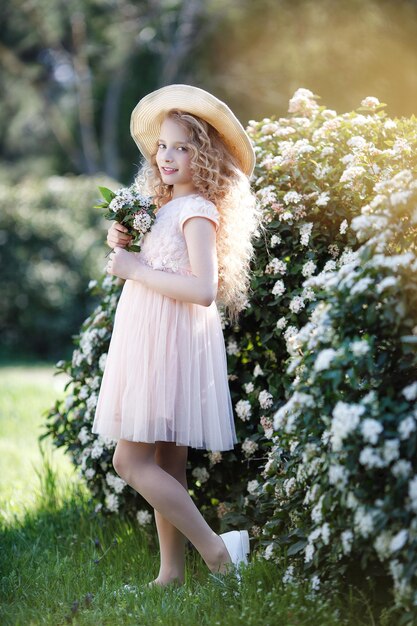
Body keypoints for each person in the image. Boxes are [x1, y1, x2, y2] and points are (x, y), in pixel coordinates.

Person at [91, 84, 261, 588]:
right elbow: (152, 259)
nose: (167, 156)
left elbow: (204, 289)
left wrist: (135, 270)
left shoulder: (197, 212)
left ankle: (218, 552)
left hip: (168, 339)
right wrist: (122, 243)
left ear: (203, 156)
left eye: (182, 147)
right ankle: (170, 573)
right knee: (168, 461)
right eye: (162, 146)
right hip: (153, 336)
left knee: (130, 459)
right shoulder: (163, 207)